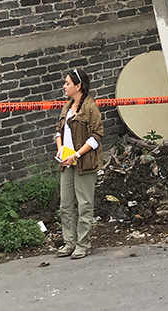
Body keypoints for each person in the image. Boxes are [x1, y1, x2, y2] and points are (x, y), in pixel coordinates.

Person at [53, 67, 103, 259]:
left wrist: (76, 155)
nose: (64, 86)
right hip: (66, 162)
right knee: (65, 204)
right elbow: (59, 131)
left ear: (78, 85)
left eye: (67, 83)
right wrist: (60, 149)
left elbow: (96, 136)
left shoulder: (90, 107)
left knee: (84, 204)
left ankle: (82, 244)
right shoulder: (66, 107)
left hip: (85, 163)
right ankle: (69, 243)